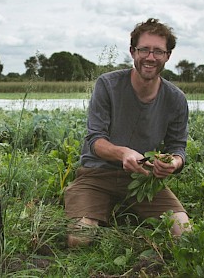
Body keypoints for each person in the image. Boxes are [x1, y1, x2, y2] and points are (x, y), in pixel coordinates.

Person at [64, 18, 190, 247]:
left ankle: (121, 209)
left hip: (144, 179)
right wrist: (123, 153)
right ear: (133, 52)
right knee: (80, 238)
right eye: (144, 49)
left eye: (158, 51)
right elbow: (95, 140)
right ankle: (102, 209)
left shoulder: (176, 98)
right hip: (97, 175)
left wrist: (172, 163)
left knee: (184, 233)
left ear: (167, 56)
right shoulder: (108, 85)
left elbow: (178, 147)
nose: (150, 57)